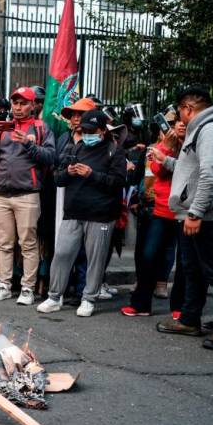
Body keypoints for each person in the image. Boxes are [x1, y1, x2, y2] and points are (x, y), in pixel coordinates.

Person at [155, 86, 213, 350]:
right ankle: (190, 319)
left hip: (210, 218)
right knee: (192, 269)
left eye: (180, 111)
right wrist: (168, 161)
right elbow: (192, 170)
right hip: (198, 216)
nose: (179, 118)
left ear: (188, 108)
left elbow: (210, 175)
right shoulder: (202, 130)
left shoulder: (211, 130)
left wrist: (195, 213)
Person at [36, 110, 127, 317]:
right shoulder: (76, 148)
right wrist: (67, 172)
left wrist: (92, 174)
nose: (86, 134)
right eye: (83, 130)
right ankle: (54, 296)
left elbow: (119, 182)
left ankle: (88, 298)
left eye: (91, 130)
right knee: (62, 254)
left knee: (95, 259)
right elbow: (58, 179)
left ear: (103, 131)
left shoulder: (115, 151)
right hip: (73, 212)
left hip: (101, 214)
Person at [0, 87, 56, 306]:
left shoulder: (42, 127)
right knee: (4, 243)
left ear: (33, 105)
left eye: (23, 103)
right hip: (2, 194)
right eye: (15, 103)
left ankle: (27, 289)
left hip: (28, 195)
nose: (18, 107)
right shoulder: (2, 128)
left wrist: (28, 143)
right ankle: (4, 286)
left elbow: (50, 157)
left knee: (28, 244)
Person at [122, 112, 184, 316]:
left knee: (184, 261)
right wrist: (168, 146)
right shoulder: (159, 147)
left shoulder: (195, 144)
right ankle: (141, 304)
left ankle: (180, 308)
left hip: (186, 211)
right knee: (148, 255)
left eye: (182, 123)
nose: (179, 126)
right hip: (160, 209)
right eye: (174, 123)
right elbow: (157, 170)